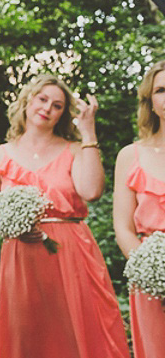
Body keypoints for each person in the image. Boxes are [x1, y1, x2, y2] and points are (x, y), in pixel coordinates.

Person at [0, 74, 129, 358]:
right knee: (28, 332)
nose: (47, 108)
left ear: (63, 114)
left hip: (71, 252)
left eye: (57, 105)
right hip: (21, 254)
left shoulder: (73, 149)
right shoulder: (1, 154)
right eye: (42, 99)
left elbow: (91, 190)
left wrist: (88, 133)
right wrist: (9, 224)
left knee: (78, 327)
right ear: (27, 101)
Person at [113, 61, 165, 358]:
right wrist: (152, 271)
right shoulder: (130, 155)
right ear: (150, 100)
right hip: (150, 277)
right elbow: (123, 227)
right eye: (161, 90)